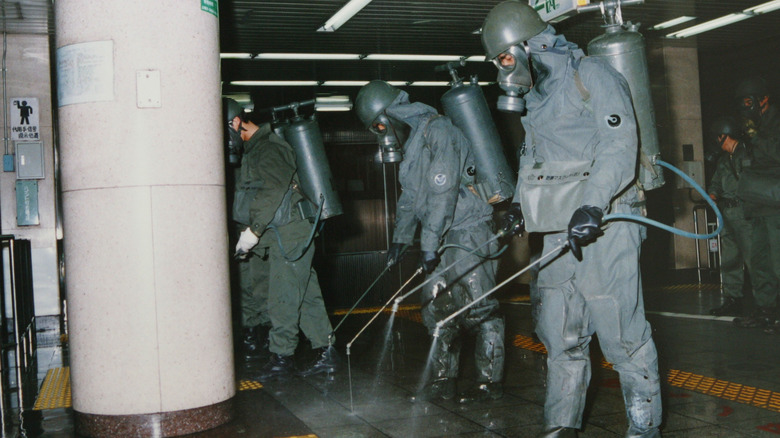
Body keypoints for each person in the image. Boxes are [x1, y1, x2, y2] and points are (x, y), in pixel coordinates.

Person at [481, 2, 661, 436]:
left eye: (505, 57)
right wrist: (521, 209)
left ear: (530, 46)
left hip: (608, 222)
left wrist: (593, 205)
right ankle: (559, 428)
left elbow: (620, 146)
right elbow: (532, 159)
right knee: (559, 335)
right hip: (560, 230)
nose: (503, 70)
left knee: (622, 336)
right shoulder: (536, 99)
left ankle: (644, 429)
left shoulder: (593, 76)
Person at [354, 80, 505, 404]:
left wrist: (428, 244)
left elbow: (442, 193)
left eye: (380, 124)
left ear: (391, 112)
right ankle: (442, 378)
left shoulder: (439, 131)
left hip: (469, 231)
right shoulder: (413, 144)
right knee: (436, 309)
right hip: (442, 235)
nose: (381, 132)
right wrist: (400, 239)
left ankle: (488, 383)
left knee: (481, 309)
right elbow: (410, 197)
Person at [225, 98, 339, 380]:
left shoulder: (269, 147)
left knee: (283, 297)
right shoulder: (254, 150)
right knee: (306, 295)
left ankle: (282, 357)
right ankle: (327, 352)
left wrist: (253, 231)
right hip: (284, 232)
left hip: (289, 232)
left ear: (235, 123)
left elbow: (273, 191)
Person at [223, 98, 271, 364]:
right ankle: (252, 334)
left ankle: (265, 337)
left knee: (261, 284)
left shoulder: (260, 148)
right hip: (236, 228)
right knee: (243, 284)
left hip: (256, 230)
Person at [731, 77, 780, 334]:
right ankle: (766, 311)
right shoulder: (752, 126)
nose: (746, 107)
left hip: (776, 204)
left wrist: (755, 138)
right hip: (759, 204)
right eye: (742, 103)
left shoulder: (774, 123)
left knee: (778, 261)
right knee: (760, 262)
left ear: (763, 99)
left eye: (750, 101)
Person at [707, 116, 753, 317]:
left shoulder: (748, 154)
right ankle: (733, 299)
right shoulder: (724, 160)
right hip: (727, 214)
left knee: (754, 258)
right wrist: (713, 195)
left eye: (719, 137)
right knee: (730, 259)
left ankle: (765, 303)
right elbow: (716, 182)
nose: (717, 142)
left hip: (745, 214)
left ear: (725, 135)